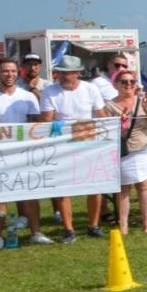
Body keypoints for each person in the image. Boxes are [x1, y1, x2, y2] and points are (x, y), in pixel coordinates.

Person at [37, 54, 112, 242]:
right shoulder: (50, 91)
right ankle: (68, 229)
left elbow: (101, 115)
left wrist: (110, 128)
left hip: (88, 139)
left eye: (67, 73)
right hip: (62, 140)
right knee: (63, 187)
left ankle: (93, 225)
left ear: (77, 73)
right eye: (60, 72)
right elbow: (47, 118)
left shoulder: (91, 89)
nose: (63, 76)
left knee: (95, 185)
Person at [0, 58, 48, 247]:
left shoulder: (28, 97)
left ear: (18, 73)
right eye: (5, 71)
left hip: (24, 153)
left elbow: (35, 126)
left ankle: (36, 232)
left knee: (30, 193)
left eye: (13, 71)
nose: (9, 75)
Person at [107, 66, 147, 234]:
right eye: (124, 82)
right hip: (122, 151)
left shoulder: (142, 101)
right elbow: (106, 131)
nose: (128, 85)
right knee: (124, 188)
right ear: (116, 84)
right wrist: (121, 123)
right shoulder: (110, 106)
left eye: (132, 82)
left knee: (143, 185)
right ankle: (123, 225)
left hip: (142, 148)